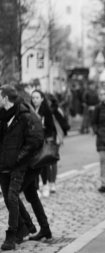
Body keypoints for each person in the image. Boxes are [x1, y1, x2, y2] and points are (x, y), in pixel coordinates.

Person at [0, 85, 44, 250]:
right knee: (8, 198)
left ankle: (11, 235)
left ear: (5, 98)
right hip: (3, 164)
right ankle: (25, 227)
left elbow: (36, 139)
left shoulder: (25, 115)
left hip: (19, 164)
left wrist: (17, 158)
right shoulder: (2, 116)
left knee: (12, 197)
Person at [31, 90, 57, 198]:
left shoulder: (46, 111)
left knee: (44, 164)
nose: (35, 100)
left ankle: (45, 185)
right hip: (32, 142)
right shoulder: (30, 111)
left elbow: (51, 128)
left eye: (37, 97)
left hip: (43, 141)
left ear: (42, 98)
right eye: (33, 98)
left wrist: (45, 136)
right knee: (34, 165)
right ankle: (36, 188)